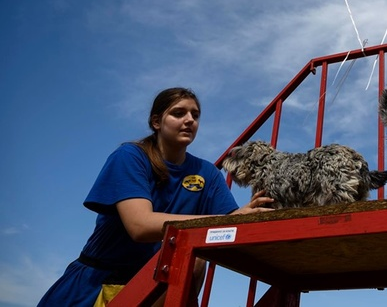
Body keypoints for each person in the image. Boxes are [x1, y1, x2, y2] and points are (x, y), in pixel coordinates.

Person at [38, 87, 274, 306]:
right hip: (97, 285)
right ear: (156, 121)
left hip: (156, 285)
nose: (190, 120)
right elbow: (140, 226)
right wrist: (224, 221)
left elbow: (228, 223)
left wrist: (247, 214)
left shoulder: (208, 173)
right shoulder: (130, 156)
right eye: (179, 113)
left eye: (195, 115)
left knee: (197, 256)